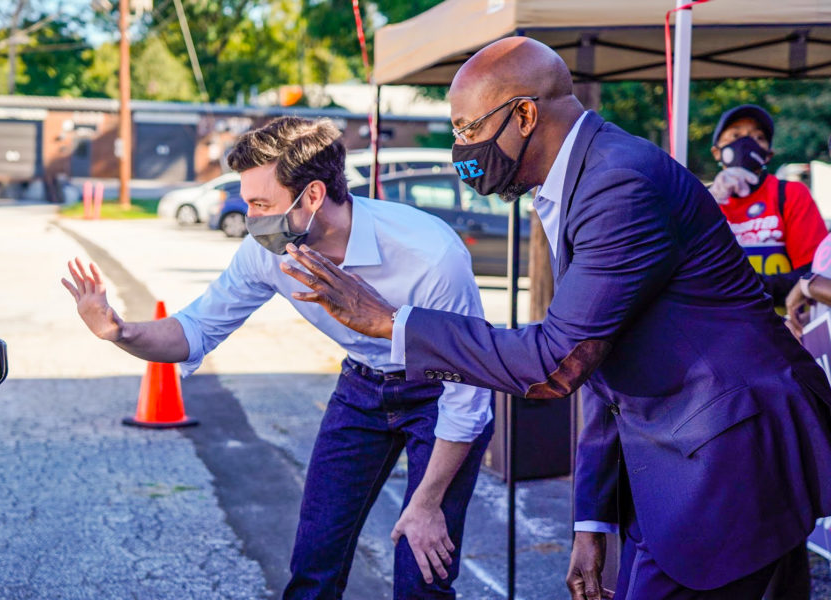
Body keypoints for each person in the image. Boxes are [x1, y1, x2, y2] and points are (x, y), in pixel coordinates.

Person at [281, 37, 831, 600]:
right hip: (690, 460)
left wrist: (395, 323)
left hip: (733, 459)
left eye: (468, 129)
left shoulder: (619, 182)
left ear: (524, 114)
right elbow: (598, 361)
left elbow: (557, 360)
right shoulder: (582, 177)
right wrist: (592, 521)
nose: (460, 147)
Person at [61, 116, 493, 599]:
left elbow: (469, 395)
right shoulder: (269, 251)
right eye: (247, 204)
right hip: (362, 388)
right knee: (315, 563)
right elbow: (196, 327)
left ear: (311, 196)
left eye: (261, 204)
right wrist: (120, 331)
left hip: (439, 393)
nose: (250, 218)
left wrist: (428, 502)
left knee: (422, 572)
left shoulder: (429, 254)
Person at [707, 103, 827, 306]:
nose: (745, 143)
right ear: (717, 152)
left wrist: (748, 287)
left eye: (758, 138)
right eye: (735, 136)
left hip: (777, 324)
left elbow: (813, 273)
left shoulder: (790, 194)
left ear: (768, 155)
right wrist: (707, 206)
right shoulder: (700, 199)